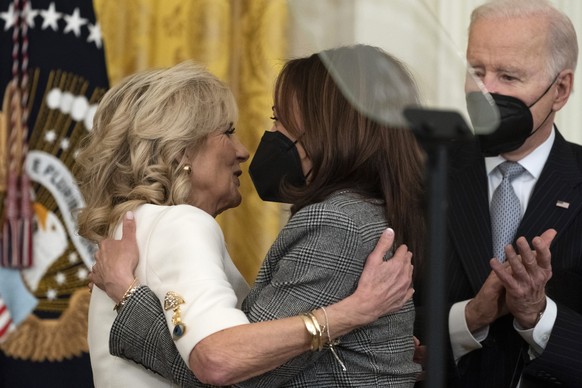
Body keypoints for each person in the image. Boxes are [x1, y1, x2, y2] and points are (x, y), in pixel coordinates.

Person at [89, 44, 427, 387]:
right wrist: (359, 321)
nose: (245, 150)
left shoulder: (336, 222)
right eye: (228, 131)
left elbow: (235, 372)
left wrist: (128, 297)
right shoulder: (178, 223)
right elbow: (229, 364)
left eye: (279, 121)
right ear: (181, 151)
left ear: (327, 127)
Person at [414, 0, 582, 387]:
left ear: (560, 89)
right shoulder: (420, 172)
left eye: (508, 76)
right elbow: (378, 321)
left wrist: (539, 315)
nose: (484, 91)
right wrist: (468, 318)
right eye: (476, 71)